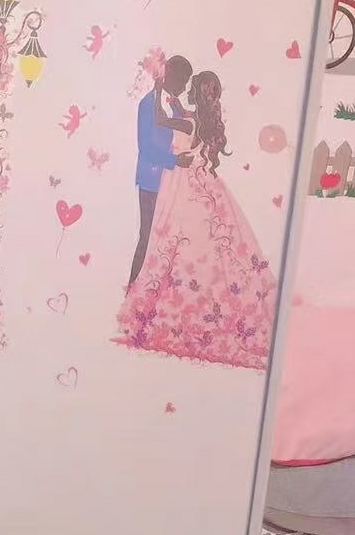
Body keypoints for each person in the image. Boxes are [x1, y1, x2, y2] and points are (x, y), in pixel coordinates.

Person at [116, 70, 278, 370]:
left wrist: (157, 88)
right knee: (191, 242)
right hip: (190, 180)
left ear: (198, 93)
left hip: (180, 182)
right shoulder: (197, 120)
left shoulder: (188, 121)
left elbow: (160, 120)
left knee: (172, 238)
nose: (187, 90)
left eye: (192, 86)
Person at [127, 54, 193, 287]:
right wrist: (174, 160)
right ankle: (133, 288)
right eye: (182, 81)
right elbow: (146, 146)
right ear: (170, 74)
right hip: (152, 180)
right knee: (148, 236)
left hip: (171, 182)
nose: (184, 88)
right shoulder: (148, 103)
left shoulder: (174, 103)